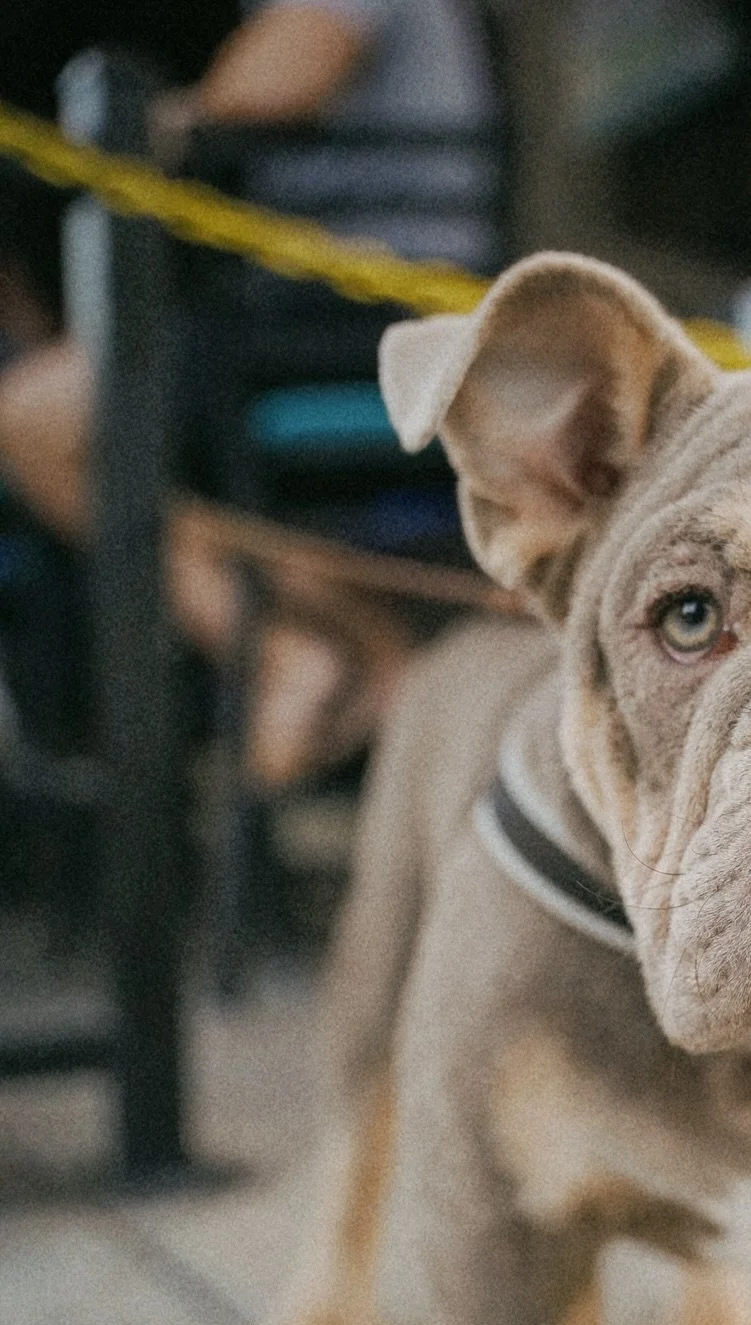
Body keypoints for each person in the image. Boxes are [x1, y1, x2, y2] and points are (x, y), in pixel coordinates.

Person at [0, 0, 500, 789]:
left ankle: (287, 649)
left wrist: (148, 119)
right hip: (327, 316)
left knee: (36, 418)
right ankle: (375, 662)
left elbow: (263, 89)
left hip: (358, 317)